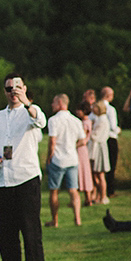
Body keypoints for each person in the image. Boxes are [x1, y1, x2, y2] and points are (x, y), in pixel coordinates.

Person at [0, 73, 48, 261]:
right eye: (8, 89)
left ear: (24, 89)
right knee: (6, 236)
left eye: (17, 88)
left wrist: (26, 102)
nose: (12, 92)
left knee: (31, 234)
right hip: (3, 180)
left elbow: (41, 121)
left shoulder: (30, 112)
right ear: (3, 92)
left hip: (26, 179)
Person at [45, 94, 86, 228]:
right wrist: (72, 146)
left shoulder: (53, 120)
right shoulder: (76, 120)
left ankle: (55, 221)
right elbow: (83, 140)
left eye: (53, 102)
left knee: (54, 191)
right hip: (72, 159)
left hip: (57, 159)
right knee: (73, 190)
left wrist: (49, 157)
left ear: (60, 103)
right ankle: (78, 219)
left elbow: (52, 141)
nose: (52, 104)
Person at [98, 86, 120, 196]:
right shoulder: (110, 109)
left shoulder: (96, 107)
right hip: (110, 138)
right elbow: (113, 126)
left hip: (100, 140)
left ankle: (99, 191)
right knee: (111, 165)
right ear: (108, 95)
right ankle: (110, 190)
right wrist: (118, 130)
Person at [88, 100, 111, 205]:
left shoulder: (102, 120)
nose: (93, 109)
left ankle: (103, 196)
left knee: (100, 174)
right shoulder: (99, 119)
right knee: (96, 174)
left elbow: (96, 135)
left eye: (95, 107)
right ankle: (98, 196)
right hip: (96, 147)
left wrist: (88, 131)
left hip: (99, 148)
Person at [74, 99, 96, 207]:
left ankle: (88, 198)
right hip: (82, 149)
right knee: (82, 173)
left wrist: (73, 146)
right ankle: (84, 198)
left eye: (79, 110)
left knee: (82, 172)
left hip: (81, 150)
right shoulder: (85, 122)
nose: (77, 112)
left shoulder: (85, 123)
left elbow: (83, 138)